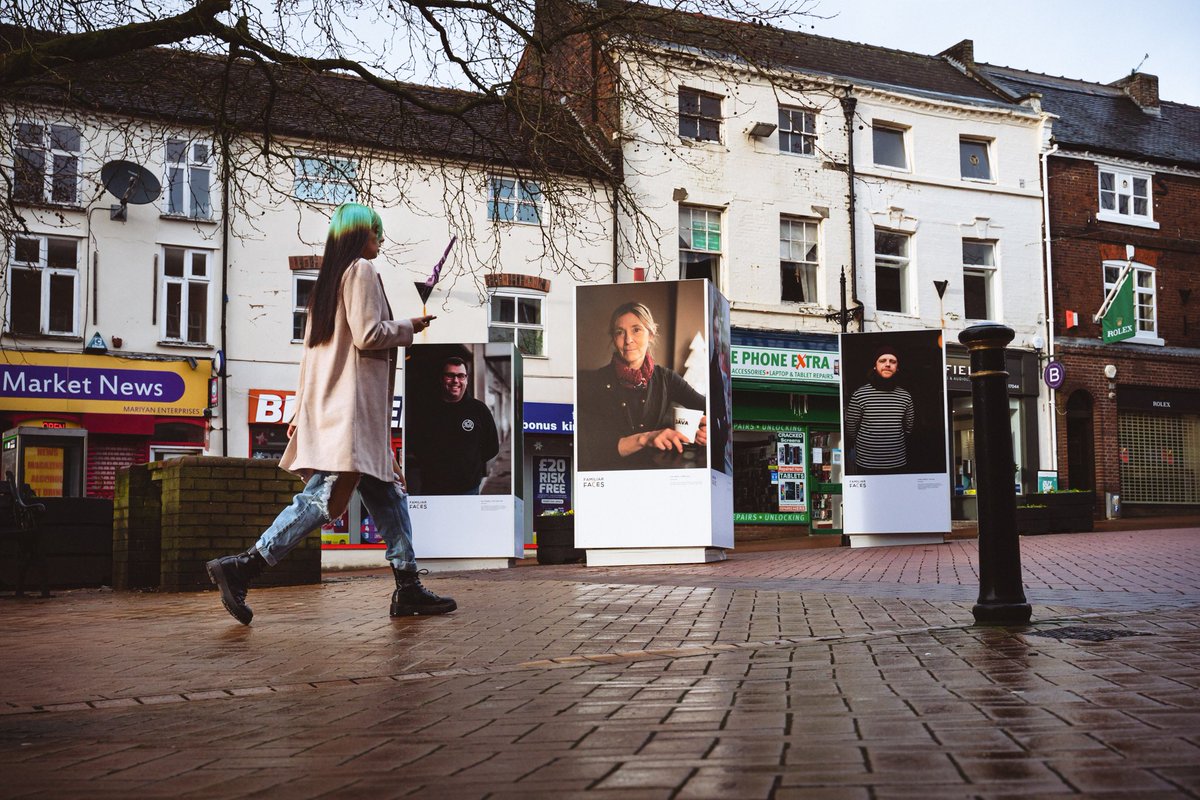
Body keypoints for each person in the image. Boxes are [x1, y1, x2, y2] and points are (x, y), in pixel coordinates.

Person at [206, 203, 455, 624]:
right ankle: (244, 566)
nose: (380, 239)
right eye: (376, 232)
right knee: (321, 500)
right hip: (352, 413)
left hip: (339, 408)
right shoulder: (360, 271)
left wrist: (301, 409)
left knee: (387, 493)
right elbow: (369, 334)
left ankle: (408, 586)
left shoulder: (325, 283)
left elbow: (309, 357)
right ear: (360, 235)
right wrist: (410, 326)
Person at [578, 301, 707, 471]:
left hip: (654, 475)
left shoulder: (666, 378)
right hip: (610, 477)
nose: (628, 340)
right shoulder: (594, 382)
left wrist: (707, 429)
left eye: (636, 330)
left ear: (651, 335)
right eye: (619, 332)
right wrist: (646, 438)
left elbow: (712, 410)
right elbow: (592, 448)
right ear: (613, 338)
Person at [408, 356, 500, 495]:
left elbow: (492, 447)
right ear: (441, 378)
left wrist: (470, 465)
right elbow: (415, 444)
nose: (455, 381)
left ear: (466, 380)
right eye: (450, 375)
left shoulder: (479, 410)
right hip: (433, 489)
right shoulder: (427, 410)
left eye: (460, 376)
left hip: (468, 490)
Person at [845, 344, 915, 474]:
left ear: (897, 367)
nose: (888, 364)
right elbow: (850, 428)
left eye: (892, 362)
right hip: (866, 464)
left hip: (897, 463)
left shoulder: (905, 396)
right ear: (875, 366)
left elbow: (908, 428)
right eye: (882, 361)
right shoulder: (860, 394)